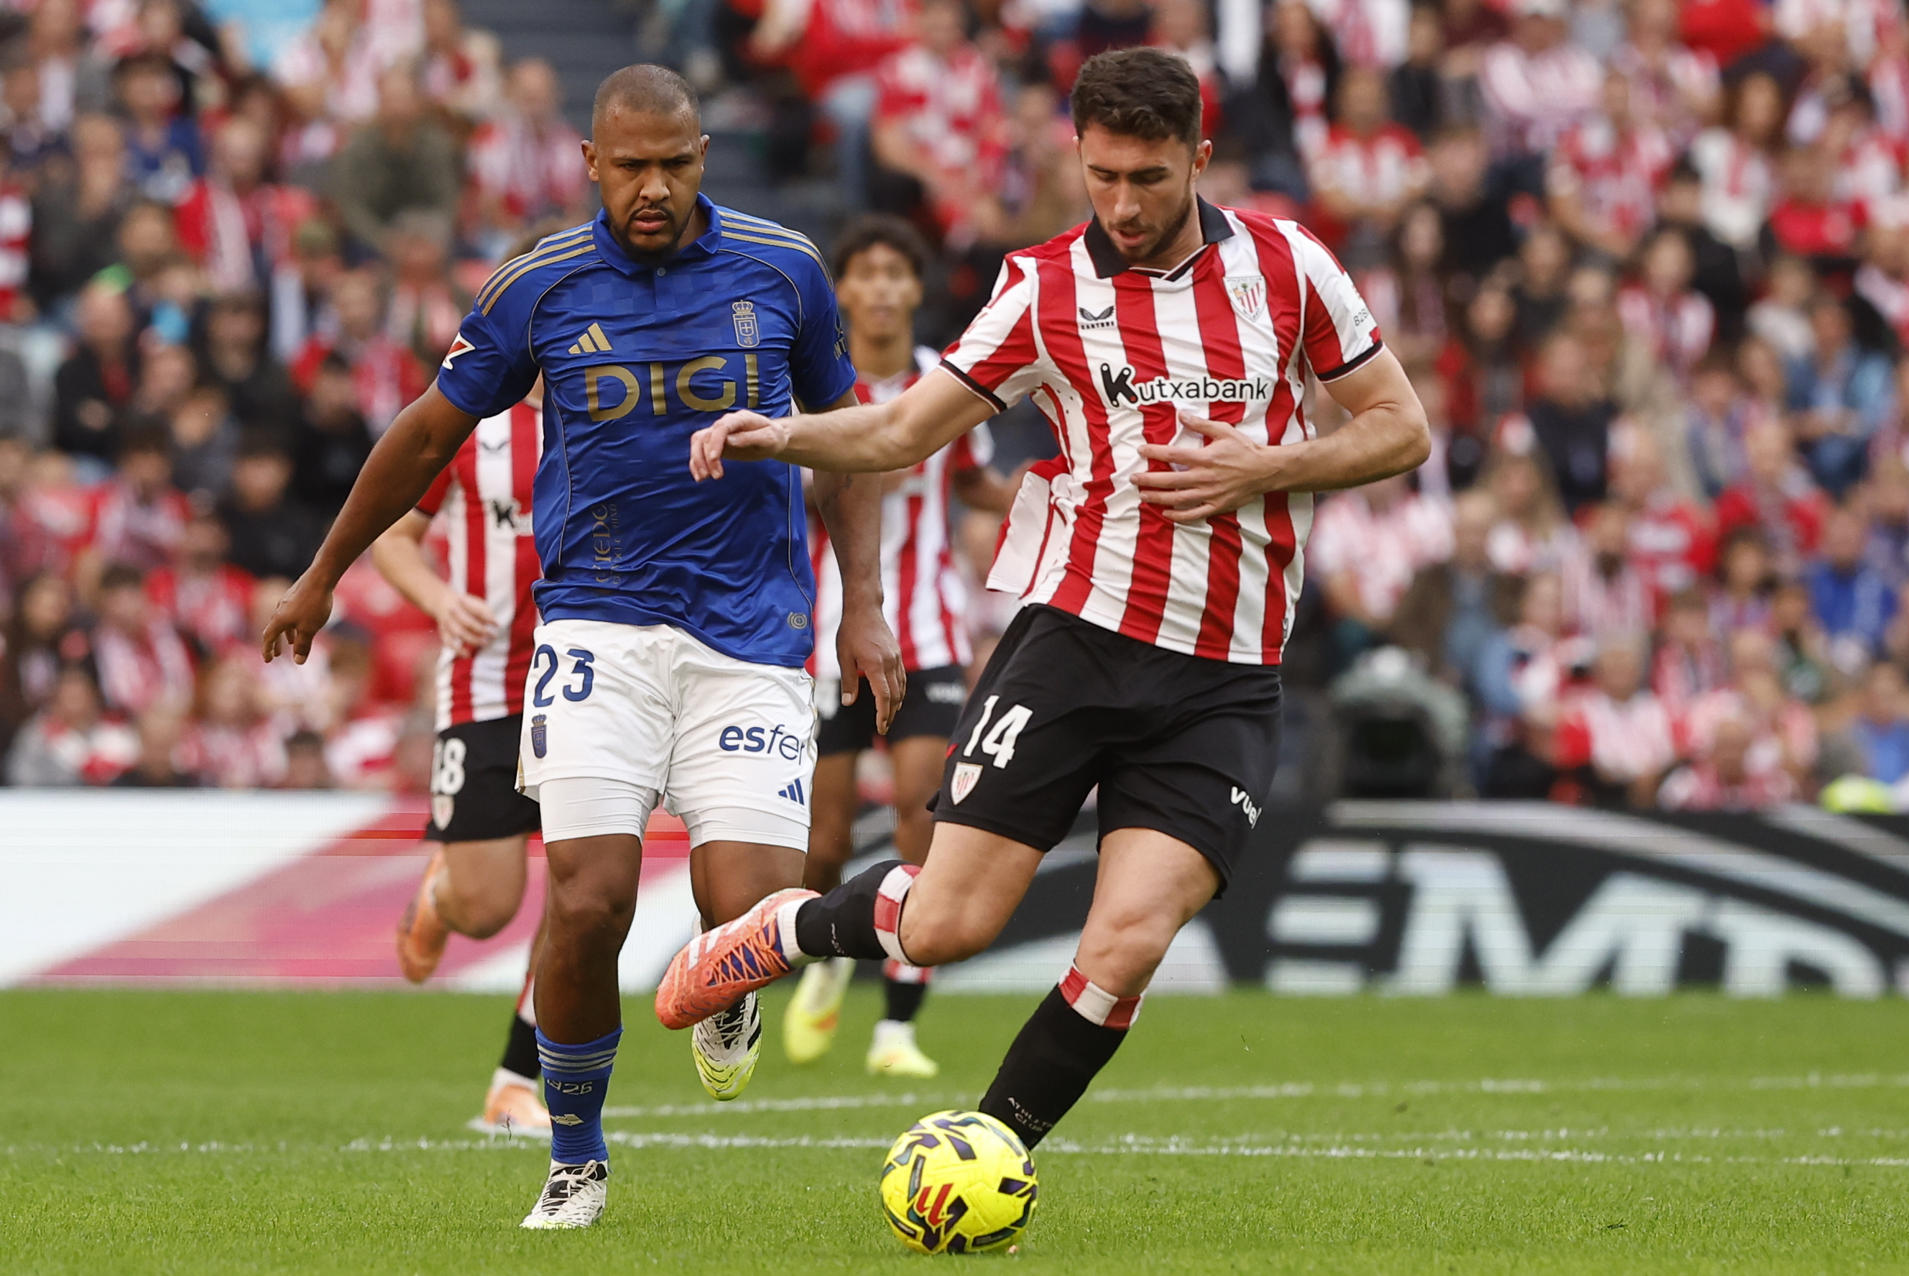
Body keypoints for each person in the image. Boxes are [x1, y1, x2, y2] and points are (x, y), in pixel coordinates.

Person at [658, 47, 1427, 1160]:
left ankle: (990, 1150)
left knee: (1129, 940)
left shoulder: (1289, 265)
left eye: (1148, 179)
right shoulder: (1043, 287)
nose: (1120, 203)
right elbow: (901, 429)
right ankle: (775, 932)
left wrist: (1262, 468)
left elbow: (1399, 425)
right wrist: (780, 433)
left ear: (1200, 159)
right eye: (1101, 174)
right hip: (1074, 644)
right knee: (949, 923)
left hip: (1225, 676)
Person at [260, 64, 899, 1231]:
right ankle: (575, 1156)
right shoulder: (540, 285)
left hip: (752, 632)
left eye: (677, 163)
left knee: (746, 910)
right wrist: (323, 573)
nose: (655, 188)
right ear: (591, 165)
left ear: (703, 155)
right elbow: (422, 434)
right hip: (596, 624)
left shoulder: (786, 268)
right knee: (589, 898)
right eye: (633, 166)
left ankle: (728, 987)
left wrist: (863, 603)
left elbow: (851, 441)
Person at [783, 215, 1016, 1080]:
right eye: (865, 273)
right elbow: (792, 491)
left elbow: (976, 480)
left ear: (915, 291)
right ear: (841, 291)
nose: (881, 288)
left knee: (927, 816)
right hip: (826, 640)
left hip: (928, 635)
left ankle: (896, 1030)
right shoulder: (816, 385)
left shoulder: (943, 386)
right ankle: (833, 956)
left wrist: (1041, 490)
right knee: (827, 838)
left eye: (896, 274)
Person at [369, 362, 548, 1137]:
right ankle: (442, 896)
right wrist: (441, 599)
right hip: (485, 692)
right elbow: (394, 539)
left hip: (599, 695)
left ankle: (516, 1082)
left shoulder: (627, 419)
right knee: (488, 908)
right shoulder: (473, 427)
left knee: (587, 894)